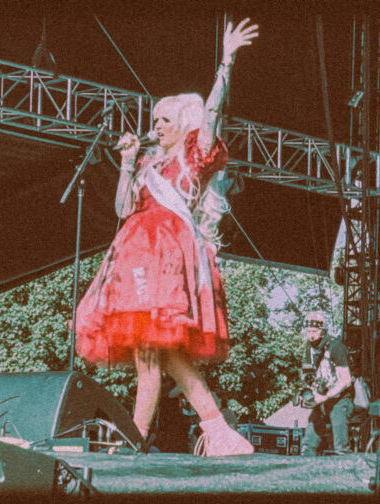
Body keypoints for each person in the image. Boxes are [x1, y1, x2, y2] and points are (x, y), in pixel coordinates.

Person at [75, 19, 258, 457]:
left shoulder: (195, 157)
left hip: (166, 255)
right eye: (154, 118)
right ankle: (202, 430)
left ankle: (148, 436)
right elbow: (122, 209)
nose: (155, 125)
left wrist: (226, 63)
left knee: (154, 351)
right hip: (135, 255)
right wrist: (124, 163)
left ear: (184, 123)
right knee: (152, 354)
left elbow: (213, 113)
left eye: (164, 119)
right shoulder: (147, 167)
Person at [299, 311, 354, 456]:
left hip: (341, 397)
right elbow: (308, 375)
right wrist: (309, 394)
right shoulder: (309, 348)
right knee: (310, 434)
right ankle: (306, 458)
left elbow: (346, 380)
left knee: (337, 418)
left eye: (314, 331)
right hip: (322, 395)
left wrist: (325, 396)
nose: (311, 335)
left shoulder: (336, 347)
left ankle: (343, 455)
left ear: (323, 331)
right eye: (308, 331)